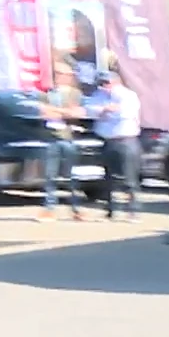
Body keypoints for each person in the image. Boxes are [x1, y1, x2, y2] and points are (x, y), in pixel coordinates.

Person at [85, 70, 144, 221]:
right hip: (108, 141)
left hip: (126, 141)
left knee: (130, 178)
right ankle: (110, 211)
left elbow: (124, 114)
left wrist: (104, 113)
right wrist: (105, 109)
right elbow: (89, 110)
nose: (103, 87)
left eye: (106, 83)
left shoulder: (128, 95)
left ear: (116, 82)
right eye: (101, 83)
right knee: (108, 179)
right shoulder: (99, 96)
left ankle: (133, 211)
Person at [37, 66, 86, 222]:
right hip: (51, 139)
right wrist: (64, 111)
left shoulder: (75, 94)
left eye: (65, 74)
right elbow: (44, 113)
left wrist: (56, 111)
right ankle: (49, 209)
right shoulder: (47, 94)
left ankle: (76, 209)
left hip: (68, 139)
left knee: (71, 176)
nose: (61, 77)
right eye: (58, 74)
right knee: (50, 176)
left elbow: (77, 113)